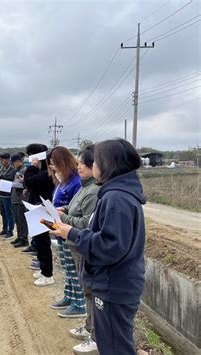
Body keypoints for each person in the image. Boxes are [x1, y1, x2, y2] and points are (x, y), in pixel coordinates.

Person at [49, 139, 146, 355]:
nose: (91, 166)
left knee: (113, 346)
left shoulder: (116, 198)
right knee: (113, 340)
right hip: (116, 282)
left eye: (95, 162)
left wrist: (71, 233)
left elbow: (110, 246)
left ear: (108, 164)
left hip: (113, 285)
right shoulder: (116, 193)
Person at [56, 145, 100, 354]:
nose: (79, 166)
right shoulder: (84, 187)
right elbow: (77, 212)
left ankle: (95, 335)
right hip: (76, 246)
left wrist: (63, 218)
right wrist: (65, 210)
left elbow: (85, 223)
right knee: (86, 290)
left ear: (95, 166)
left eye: (83, 163)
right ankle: (89, 326)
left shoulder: (93, 191)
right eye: (79, 162)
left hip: (83, 247)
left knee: (91, 293)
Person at [47, 146, 83, 315]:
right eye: (51, 166)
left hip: (69, 230)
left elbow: (75, 209)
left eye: (55, 164)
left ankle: (79, 303)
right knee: (67, 267)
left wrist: (61, 212)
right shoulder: (63, 181)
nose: (53, 168)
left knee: (73, 269)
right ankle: (69, 295)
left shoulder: (76, 182)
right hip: (59, 228)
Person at [23, 143, 55, 287]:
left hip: (43, 210)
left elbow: (28, 182)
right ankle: (43, 270)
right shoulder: (41, 171)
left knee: (43, 243)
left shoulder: (45, 172)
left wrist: (33, 167)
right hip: (37, 209)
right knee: (39, 242)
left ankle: (48, 274)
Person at [0, 153, 16, 238]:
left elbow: (10, 178)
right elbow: (2, 177)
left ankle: (10, 231)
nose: (1, 162)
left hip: (8, 193)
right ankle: (4, 229)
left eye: (2, 160)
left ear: (7, 159)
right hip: (2, 192)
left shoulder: (12, 168)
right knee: (3, 213)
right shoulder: (2, 167)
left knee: (9, 213)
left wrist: (0, 176)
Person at [9, 153, 28, 247]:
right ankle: (19, 236)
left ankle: (24, 239)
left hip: (21, 198)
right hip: (15, 197)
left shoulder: (24, 170)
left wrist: (21, 181)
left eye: (14, 163)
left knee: (21, 219)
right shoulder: (17, 170)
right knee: (17, 219)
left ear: (18, 161)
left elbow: (25, 184)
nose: (13, 165)